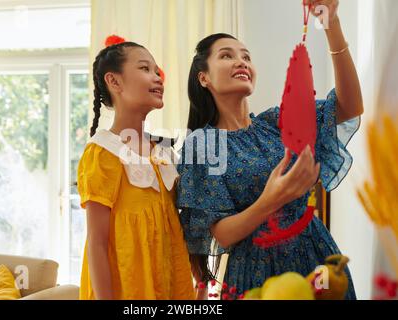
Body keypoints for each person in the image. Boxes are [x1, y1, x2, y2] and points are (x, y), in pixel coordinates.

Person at [177, 0, 363, 300]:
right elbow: (221, 233)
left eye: (246, 57)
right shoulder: (202, 144)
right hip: (256, 272)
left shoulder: (277, 121)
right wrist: (271, 199)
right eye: (227, 56)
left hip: (316, 257)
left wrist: (332, 24)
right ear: (204, 78)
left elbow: (349, 106)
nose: (242, 62)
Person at [77, 41, 195, 299]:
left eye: (157, 71)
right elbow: (96, 243)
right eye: (145, 68)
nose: (158, 78)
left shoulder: (163, 151)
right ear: (114, 82)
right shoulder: (103, 151)